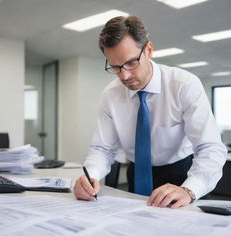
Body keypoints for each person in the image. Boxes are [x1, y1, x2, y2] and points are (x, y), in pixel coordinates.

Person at [74, 16, 227, 208]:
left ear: (148, 50)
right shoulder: (110, 96)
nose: (124, 75)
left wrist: (189, 189)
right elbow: (103, 149)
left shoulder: (184, 85)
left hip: (182, 175)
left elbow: (210, 147)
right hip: (137, 174)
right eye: (115, 67)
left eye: (131, 63)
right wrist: (90, 175)